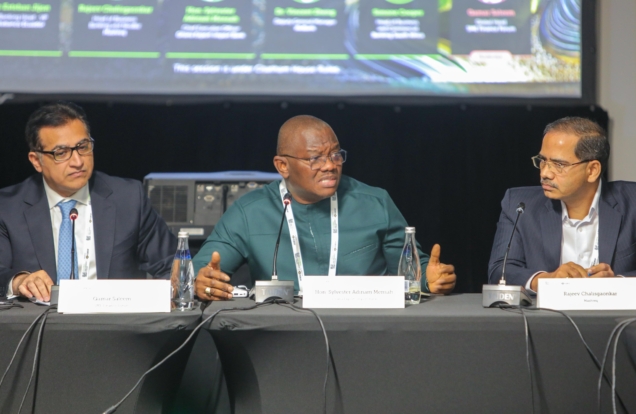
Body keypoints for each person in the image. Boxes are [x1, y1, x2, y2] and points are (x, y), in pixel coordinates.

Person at [193, 115, 456, 300]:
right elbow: (203, 271)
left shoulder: (375, 203)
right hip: (282, 333)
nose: (330, 165)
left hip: (365, 330)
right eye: (315, 158)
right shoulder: (250, 211)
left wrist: (430, 279)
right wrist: (202, 281)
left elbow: (413, 270)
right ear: (283, 166)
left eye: (335, 155)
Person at [0, 102, 177, 302]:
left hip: (113, 318)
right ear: (36, 161)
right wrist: (18, 281)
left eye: (83, 147)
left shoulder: (128, 199)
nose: (78, 162)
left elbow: (171, 265)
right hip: (38, 319)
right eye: (61, 153)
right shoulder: (7, 208)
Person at [488, 116, 636, 292]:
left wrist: (618, 284)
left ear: (592, 170)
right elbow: (500, 271)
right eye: (543, 160)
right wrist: (547, 280)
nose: (545, 173)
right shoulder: (519, 205)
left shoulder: (631, 202)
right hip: (545, 310)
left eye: (559, 164)